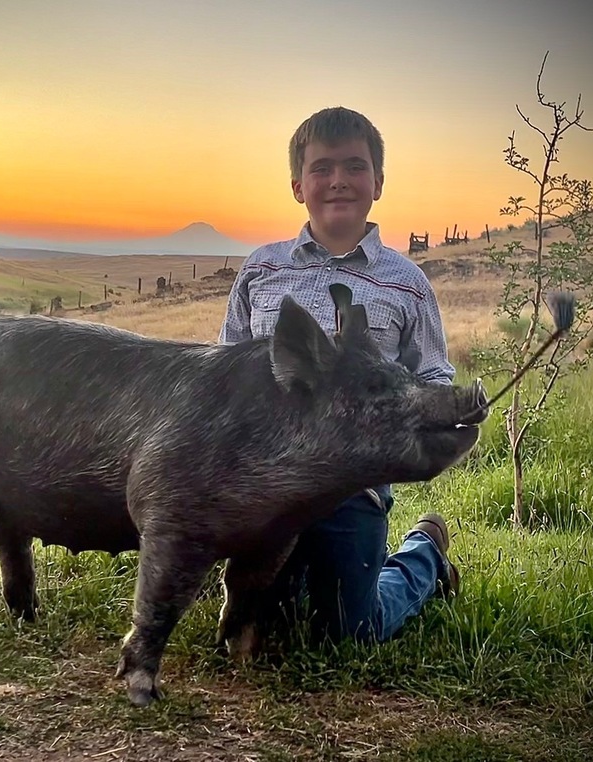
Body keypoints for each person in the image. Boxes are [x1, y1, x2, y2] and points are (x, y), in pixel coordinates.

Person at [218, 106, 459, 645]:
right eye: (322, 168)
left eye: (355, 166)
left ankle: (425, 556)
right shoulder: (261, 270)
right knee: (266, 625)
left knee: (351, 630)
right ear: (297, 186)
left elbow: (433, 374)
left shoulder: (407, 283)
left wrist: (435, 416)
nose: (338, 180)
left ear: (378, 182)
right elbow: (223, 370)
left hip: (354, 485)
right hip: (266, 484)